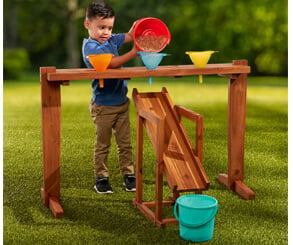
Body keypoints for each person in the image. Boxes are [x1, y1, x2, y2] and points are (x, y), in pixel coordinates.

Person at [82, 1, 138, 194]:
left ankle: (129, 175)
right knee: (103, 145)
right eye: (101, 27)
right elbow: (111, 64)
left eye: (109, 27)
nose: (106, 32)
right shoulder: (90, 47)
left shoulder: (112, 40)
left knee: (125, 144)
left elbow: (130, 36)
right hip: (103, 106)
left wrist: (136, 29)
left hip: (121, 102)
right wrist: (132, 53)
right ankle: (102, 178)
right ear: (87, 25)